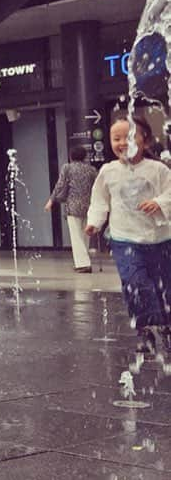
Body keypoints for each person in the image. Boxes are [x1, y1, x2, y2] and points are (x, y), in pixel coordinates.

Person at [86, 117, 171, 357]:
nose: (123, 142)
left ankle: (167, 326)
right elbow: (100, 199)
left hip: (160, 238)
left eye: (130, 136)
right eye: (116, 138)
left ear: (144, 141)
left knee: (165, 285)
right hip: (124, 237)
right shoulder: (108, 171)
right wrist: (94, 222)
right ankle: (144, 330)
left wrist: (159, 202)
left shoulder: (158, 170)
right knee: (134, 283)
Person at [45, 146, 99, 273]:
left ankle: (83, 264)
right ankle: (84, 261)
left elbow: (60, 184)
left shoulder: (67, 168)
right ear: (84, 156)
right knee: (85, 236)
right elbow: (97, 188)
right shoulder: (91, 170)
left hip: (73, 206)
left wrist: (51, 200)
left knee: (76, 237)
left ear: (71, 156)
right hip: (88, 206)